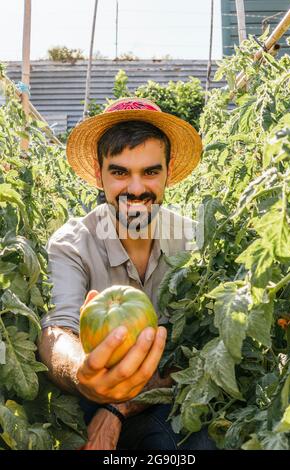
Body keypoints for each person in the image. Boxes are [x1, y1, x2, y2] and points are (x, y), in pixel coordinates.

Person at [38, 97, 216, 450]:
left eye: (150, 171)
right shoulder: (73, 243)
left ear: (168, 171)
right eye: (120, 172)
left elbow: (200, 351)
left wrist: (119, 406)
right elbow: (57, 331)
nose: (136, 189)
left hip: (166, 399)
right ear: (98, 171)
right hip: (85, 397)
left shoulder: (195, 242)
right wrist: (81, 373)